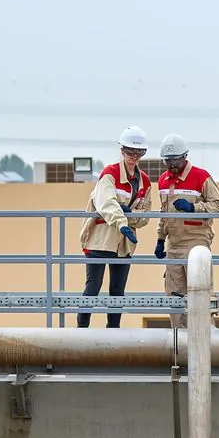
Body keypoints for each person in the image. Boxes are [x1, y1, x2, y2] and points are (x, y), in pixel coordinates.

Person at [77, 126, 153, 328]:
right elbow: (106, 203)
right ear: (122, 150)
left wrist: (130, 216)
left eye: (139, 153)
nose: (134, 156)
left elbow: (146, 214)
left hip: (124, 244)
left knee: (117, 291)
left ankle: (113, 330)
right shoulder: (109, 174)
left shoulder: (144, 181)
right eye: (130, 152)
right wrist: (122, 222)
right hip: (100, 240)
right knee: (93, 287)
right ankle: (81, 330)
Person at [153, 134, 219, 329]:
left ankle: (205, 342)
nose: (171, 164)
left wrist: (194, 208)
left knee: (200, 294)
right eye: (168, 160)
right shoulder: (163, 180)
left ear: (185, 156)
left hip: (196, 243)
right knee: (175, 297)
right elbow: (164, 212)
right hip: (173, 245)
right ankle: (179, 346)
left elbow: (218, 205)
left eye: (175, 159)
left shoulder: (201, 177)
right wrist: (160, 239)